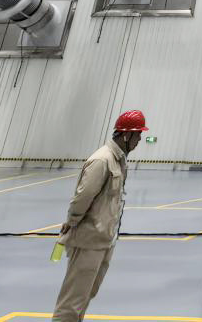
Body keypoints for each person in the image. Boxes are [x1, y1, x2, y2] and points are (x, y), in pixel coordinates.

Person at [51, 109, 148, 322]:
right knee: (72, 301)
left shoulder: (118, 160)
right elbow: (82, 198)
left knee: (86, 295)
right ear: (126, 134)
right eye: (138, 134)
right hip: (88, 241)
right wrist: (72, 222)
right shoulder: (102, 160)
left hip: (103, 240)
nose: (140, 139)